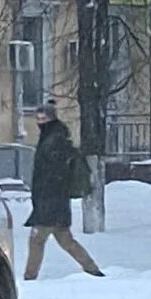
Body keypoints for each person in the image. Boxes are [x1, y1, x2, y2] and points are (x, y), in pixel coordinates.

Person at [24, 101, 104, 280]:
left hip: (50, 201)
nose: (40, 122)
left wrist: (44, 197)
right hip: (54, 201)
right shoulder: (54, 137)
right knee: (65, 239)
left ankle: (30, 277)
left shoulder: (54, 140)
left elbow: (53, 173)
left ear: (51, 119)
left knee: (37, 239)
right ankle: (92, 269)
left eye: (43, 118)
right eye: (38, 118)